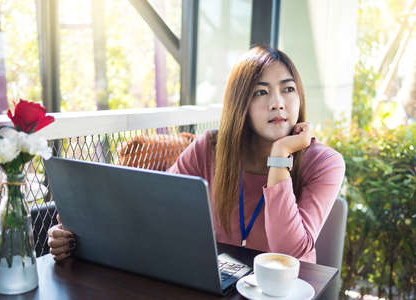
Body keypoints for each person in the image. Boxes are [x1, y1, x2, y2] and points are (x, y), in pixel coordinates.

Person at [47, 45, 345, 263]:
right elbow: (153, 206)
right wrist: (75, 233)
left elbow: (288, 256)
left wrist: (280, 157)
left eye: (288, 89)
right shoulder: (211, 148)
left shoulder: (325, 163)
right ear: (240, 104)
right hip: (218, 285)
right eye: (261, 92)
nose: (278, 103)